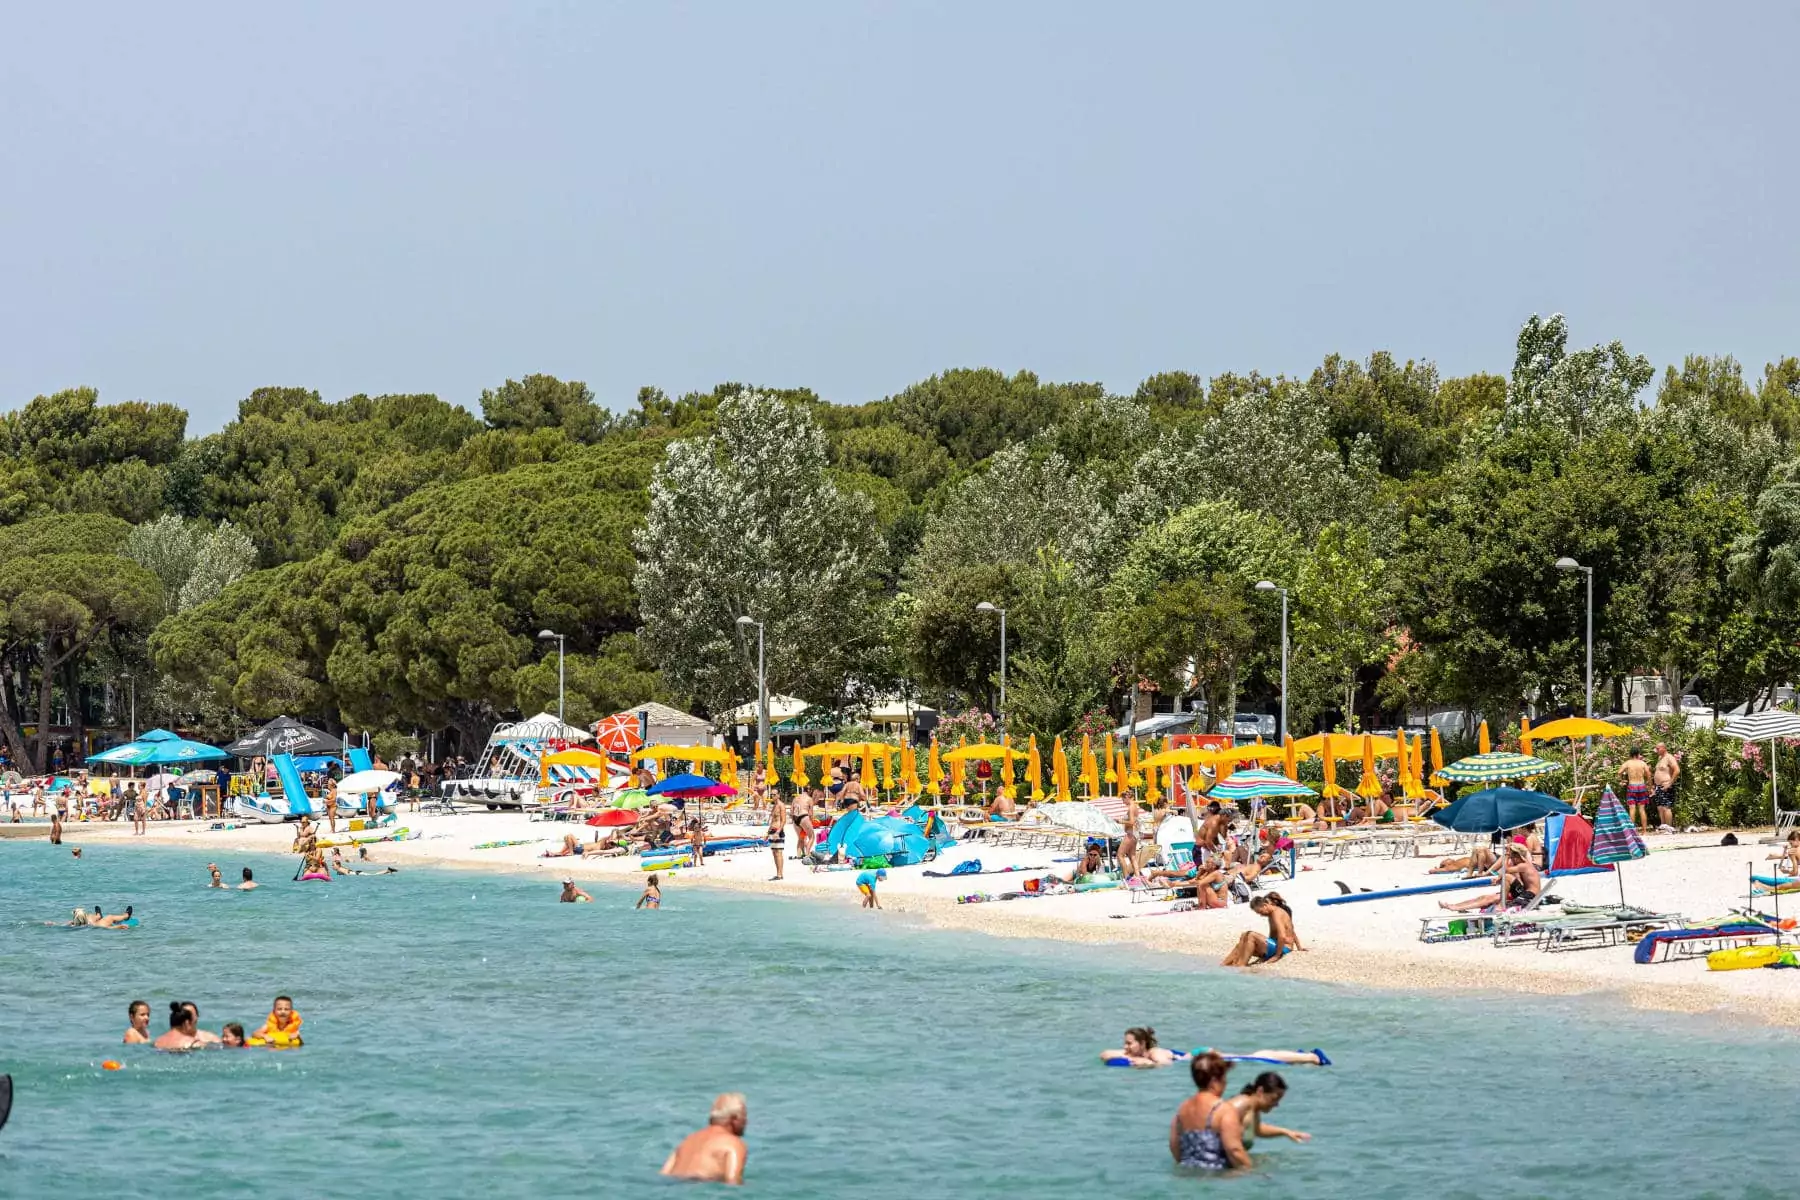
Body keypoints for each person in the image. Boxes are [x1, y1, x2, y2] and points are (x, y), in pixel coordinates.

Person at [1168, 1052, 1250, 1171]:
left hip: (1187, 1175)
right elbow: (1234, 1150)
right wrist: (1251, 1171)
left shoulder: (1182, 1109)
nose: (1226, 1082)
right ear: (1214, 1081)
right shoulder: (1223, 1109)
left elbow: (1174, 1147)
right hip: (1217, 1177)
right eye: (1224, 1077)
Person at [661, 1093, 748, 1186]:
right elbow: (733, 1182)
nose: (746, 1121)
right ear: (734, 1119)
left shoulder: (687, 1141)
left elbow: (663, 1175)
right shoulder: (734, 1144)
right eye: (744, 1116)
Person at [1438, 844, 1541, 912]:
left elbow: (1506, 870)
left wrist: (1507, 856)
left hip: (1529, 896)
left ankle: (1501, 905)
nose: (1511, 858)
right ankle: (1454, 906)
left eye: (1512, 856)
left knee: (1490, 898)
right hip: (1522, 892)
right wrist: (1500, 878)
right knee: (1484, 897)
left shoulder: (1523, 865)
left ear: (1517, 856)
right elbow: (1511, 877)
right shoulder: (1521, 866)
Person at [1230, 1072, 1311, 1148]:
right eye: (1274, 1099)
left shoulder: (1253, 1109)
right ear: (1260, 1091)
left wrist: (1286, 1132)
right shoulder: (1242, 1104)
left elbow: (1257, 1129)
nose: (1276, 1104)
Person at [1221, 893, 1302, 967]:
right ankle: (1224, 965)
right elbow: (1291, 931)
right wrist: (1299, 947)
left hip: (1283, 948)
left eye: (1260, 912)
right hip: (1275, 945)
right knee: (1244, 936)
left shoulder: (1276, 913)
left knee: (1251, 935)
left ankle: (1241, 965)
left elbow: (1282, 936)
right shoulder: (1272, 914)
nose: (1261, 915)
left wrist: (1276, 956)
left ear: (1264, 905)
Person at [1102, 1026, 1179, 1068]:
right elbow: (1105, 1054)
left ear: (1142, 1043)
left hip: (1179, 1057)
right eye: (1125, 1043)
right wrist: (1134, 1059)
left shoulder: (1155, 1053)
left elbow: (1167, 1064)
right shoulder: (1129, 1053)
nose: (1125, 1047)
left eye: (1129, 1043)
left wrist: (1149, 1064)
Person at [1620, 749, 1653, 831]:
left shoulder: (1628, 763)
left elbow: (1619, 772)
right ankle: (1644, 831)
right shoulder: (1642, 763)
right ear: (1638, 754)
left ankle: (1632, 831)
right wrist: (1650, 786)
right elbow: (1649, 775)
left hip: (1632, 786)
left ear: (1630, 754)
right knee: (1642, 809)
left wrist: (1622, 780)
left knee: (1632, 809)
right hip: (1641, 786)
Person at [1654, 742, 1681, 833]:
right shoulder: (1660, 758)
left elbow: (1677, 770)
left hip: (1666, 785)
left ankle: (1669, 828)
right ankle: (1664, 827)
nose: (1656, 750)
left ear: (1663, 748)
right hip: (1658, 786)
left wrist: (1670, 783)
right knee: (1660, 807)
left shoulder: (1669, 757)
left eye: (1658, 748)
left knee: (1666, 807)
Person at [766, 791, 787, 881]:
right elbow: (772, 821)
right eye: (771, 795)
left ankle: (780, 874)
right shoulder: (774, 806)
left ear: (778, 795)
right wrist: (767, 833)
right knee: (774, 853)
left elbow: (783, 820)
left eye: (774, 794)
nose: (773, 796)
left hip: (778, 831)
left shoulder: (781, 805)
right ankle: (777, 873)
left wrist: (778, 832)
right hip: (772, 831)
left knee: (778, 852)